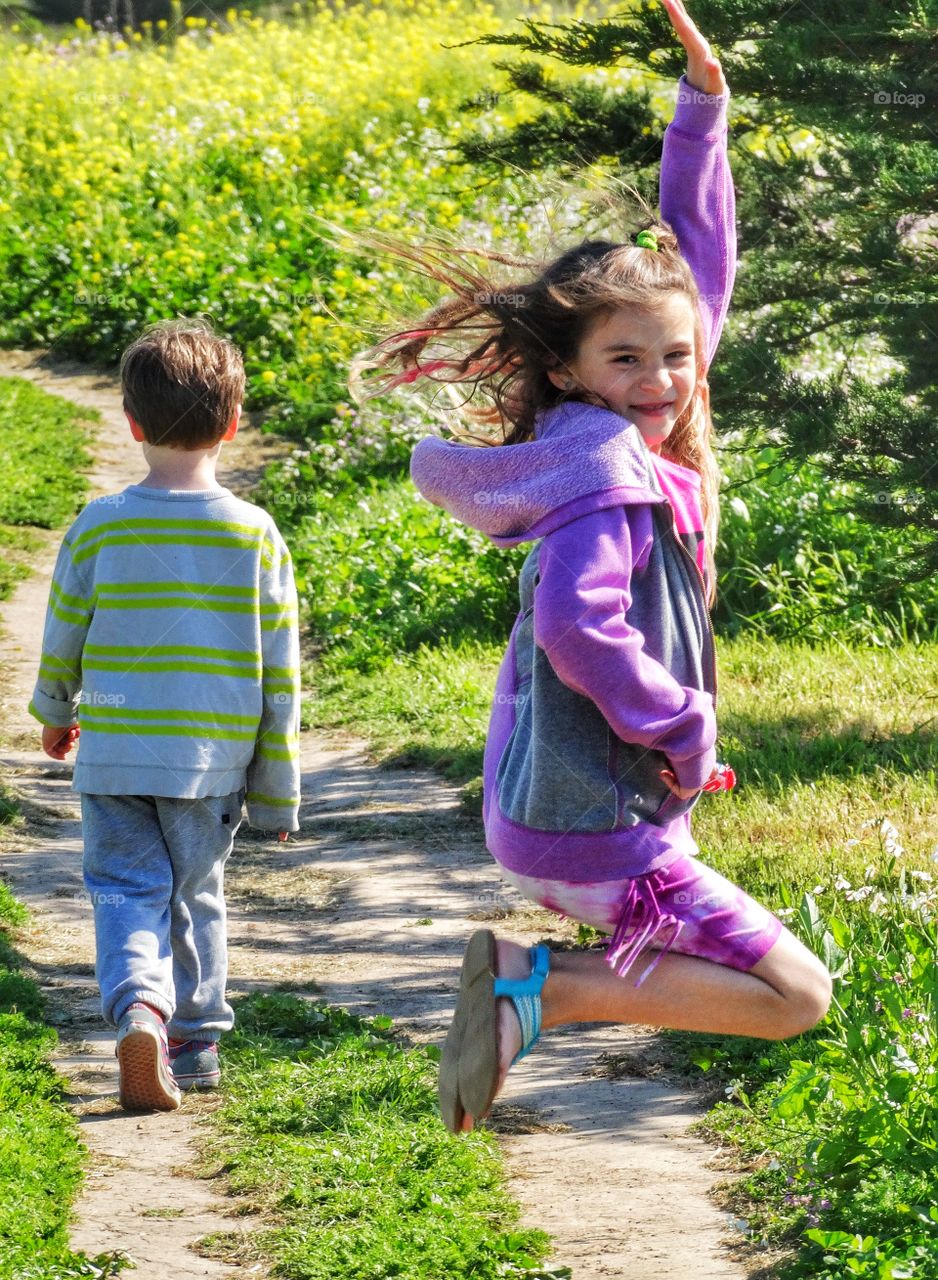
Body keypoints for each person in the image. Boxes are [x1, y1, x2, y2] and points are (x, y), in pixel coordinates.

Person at [351, 0, 832, 1133]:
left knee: (788, 990)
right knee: (795, 995)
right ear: (568, 374)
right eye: (625, 358)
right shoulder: (601, 476)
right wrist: (680, 724)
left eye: (674, 354)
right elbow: (577, 625)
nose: (661, 375)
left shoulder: (643, 409)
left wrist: (701, 113)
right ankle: (547, 986)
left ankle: (545, 982)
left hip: (572, 807)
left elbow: (695, 271)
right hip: (590, 818)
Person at [29, 318, 301, 1111]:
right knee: (197, 892)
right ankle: (197, 1042)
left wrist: (54, 711)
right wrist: (277, 788)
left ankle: (139, 1007)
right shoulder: (255, 536)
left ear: (132, 422)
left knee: (122, 888)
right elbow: (279, 675)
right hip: (209, 765)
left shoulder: (98, 524)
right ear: (234, 423)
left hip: (113, 755)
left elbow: (64, 631)